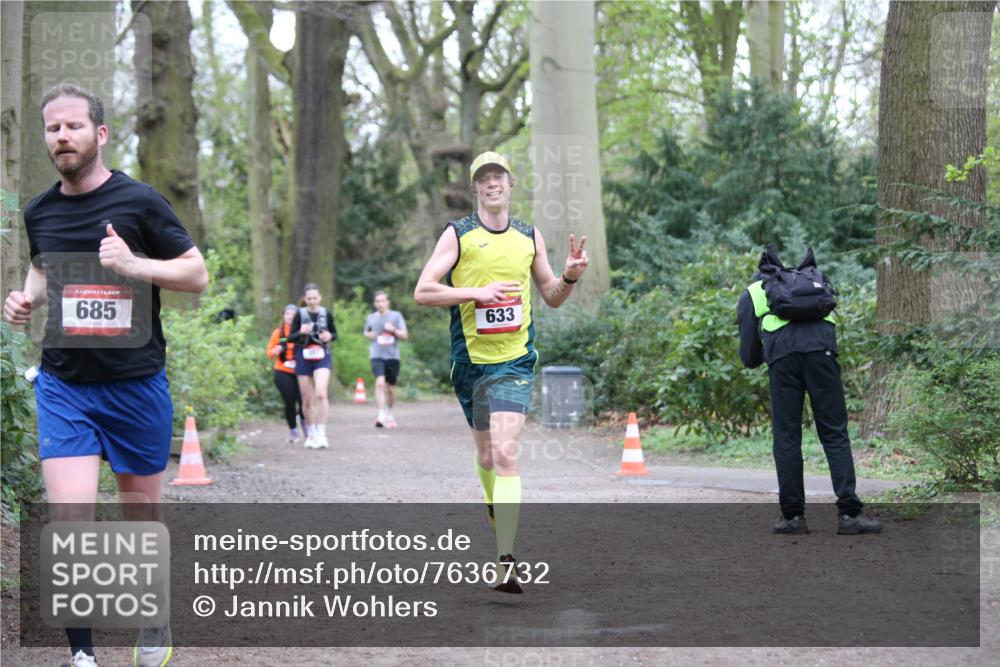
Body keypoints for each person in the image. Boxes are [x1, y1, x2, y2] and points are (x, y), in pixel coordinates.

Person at [2, 83, 208, 667]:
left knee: (140, 518)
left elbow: (197, 275)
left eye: (72, 126)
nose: (61, 136)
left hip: (136, 385)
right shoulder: (39, 210)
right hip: (65, 385)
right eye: (52, 128)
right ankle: (83, 656)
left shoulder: (141, 203)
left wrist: (132, 264)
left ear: (101, 133)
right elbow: (43, 268)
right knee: (71, 520)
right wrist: (25, 299)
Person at [414, 151, 590, 594]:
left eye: (499, 177)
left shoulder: (529, 236)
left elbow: (550, 295)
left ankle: (505, 557)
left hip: (515, 360)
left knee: (507, 451)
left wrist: (568, 277)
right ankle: (494, 505)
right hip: (470, 362)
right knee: (488, 457)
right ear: (476, 188)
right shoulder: (458, 235)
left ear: (511, 184)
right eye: (484, 179)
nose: (492, 184)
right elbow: (423, 291)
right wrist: (477, 293)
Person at [737, 245, 881, 536]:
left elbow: (749, 357)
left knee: (787, 437)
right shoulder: (817, 282)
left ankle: (792, 518)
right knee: (835, 433)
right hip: (822, 355)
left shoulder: (754, 291)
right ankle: (850, 515)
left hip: (783, 361)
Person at [289, 283, 337, 449]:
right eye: (309, 298)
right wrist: (300, 332)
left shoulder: (326, 314)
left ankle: (322, 433)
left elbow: (335, 334)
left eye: (315, 298)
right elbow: (290, 338)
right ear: (305, 299)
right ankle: (311, 433)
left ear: (320, 297)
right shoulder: (299, 314)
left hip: (321, 357)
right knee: (307, 400)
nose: (312, 301)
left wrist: (329, 335)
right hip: (303, 356)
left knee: (321, 394)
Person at [363, 291, 408, 428]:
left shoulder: (396, 316)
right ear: (374, 303)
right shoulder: (371, 318)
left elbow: (405, 335)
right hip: (376, 355)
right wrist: (369, 335)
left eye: (382, 301)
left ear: (387, 302)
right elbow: (366, 332)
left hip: (392, 357)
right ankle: (381, 414)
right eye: (377, 301)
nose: (380, 304)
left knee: (391, 390)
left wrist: (393, 330)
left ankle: (389, 412)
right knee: (380, 383)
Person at [267, 304, 305, 443]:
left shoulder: (302, 332)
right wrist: (274, 351)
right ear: (283, 316)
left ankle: (306, 427)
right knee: (289, 402)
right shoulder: (279, 333)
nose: (290, 316)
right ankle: (293, 431)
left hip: (301, 371)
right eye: (287, 313)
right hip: (282, 371)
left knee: (303, 402)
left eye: (293, 314)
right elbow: (269, 352)